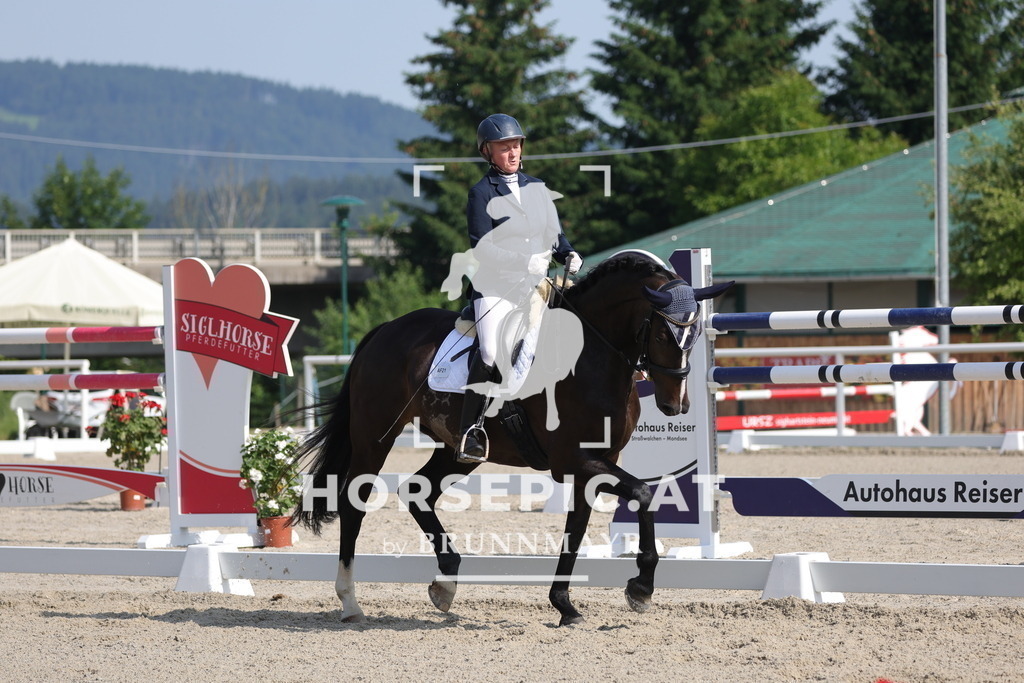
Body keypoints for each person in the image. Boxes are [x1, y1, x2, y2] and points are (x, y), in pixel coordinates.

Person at [455, 113, 583, 463]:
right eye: (503, 147)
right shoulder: (481, 192)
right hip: (496, 289)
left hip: (536, 287)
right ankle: (471, 431)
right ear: (488, 152)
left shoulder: (537, 188)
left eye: (515, 145)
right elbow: (481, 246)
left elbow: (555, 236)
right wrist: (522, 262)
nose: (512, 152)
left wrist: (569, 253)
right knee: (489, 354)